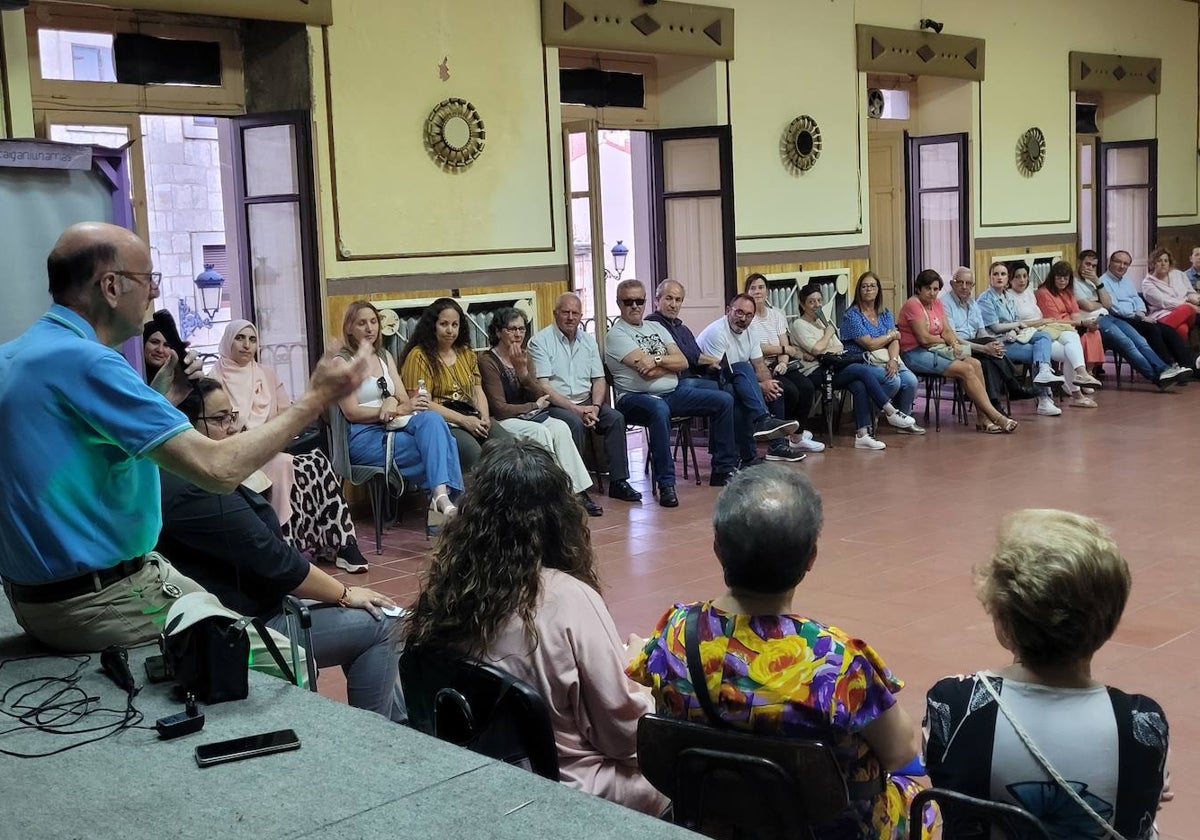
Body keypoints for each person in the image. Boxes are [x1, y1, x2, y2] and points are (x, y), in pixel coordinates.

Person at [0, 222, 372, 652]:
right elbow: (218, 470)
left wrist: (160, 396)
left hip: (34, 595)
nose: (154, 294)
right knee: (282, 661)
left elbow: (79, 447)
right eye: (148, 280)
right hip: (99, 600)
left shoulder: (16, 355)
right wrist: (316, 398)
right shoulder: (88, 363)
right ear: (111, 286)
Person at [628, 466, 934, 840]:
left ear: (717, 549)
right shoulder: (835, 660)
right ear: (811, 558)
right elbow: (902, 751)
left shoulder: (675, 631)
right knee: (927, 805)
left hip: (717, 819)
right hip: (826, 830)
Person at [405, 440, 666, 815]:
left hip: (479, 782)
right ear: (560, 515)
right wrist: (641, 680)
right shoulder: (569, 598)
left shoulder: (447, 590)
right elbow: (625, 740)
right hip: (567, 790)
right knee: (682, 772)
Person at [160, 378, 406, 721]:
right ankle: (382, 740)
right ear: (187, 427)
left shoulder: (186, 475)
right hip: (246, 628)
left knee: (376, 615)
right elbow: (276, 561)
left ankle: (400, 726)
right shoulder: (195, 490)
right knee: (385, 624)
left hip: (255, 603)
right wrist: (345, 593)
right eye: (218, 420)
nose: (231, 429)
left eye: (232, 417)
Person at [924, 509, 1170, 838]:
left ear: (1003, 620)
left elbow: (947, 780)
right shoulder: (1142, 721)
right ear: (1109, 621)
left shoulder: (952, 702)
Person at [214, 319, 371, 573]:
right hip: (238, 454)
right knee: (284, 465)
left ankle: (343, 544)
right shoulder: (215, 378)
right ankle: (283, 545)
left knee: (317, 462)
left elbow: (286, 413)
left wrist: (273, 435)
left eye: (252, 339)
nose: (246, 345)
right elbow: (217, 430)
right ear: (228, 341)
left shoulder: (266, 374)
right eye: (239, 339)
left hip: (273, 446)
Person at [604, 279, 739, 506]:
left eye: (639, 301)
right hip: (633, 398)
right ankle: (666, 483)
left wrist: (657, 359)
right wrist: (668, 367)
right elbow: (645, 373)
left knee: (724, 399)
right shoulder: (616, 335)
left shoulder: (656, 327)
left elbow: (683, 362)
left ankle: (722, 470)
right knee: (659, 408)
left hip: (672, 392)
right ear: (619, 303)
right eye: (629, 301)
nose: (635, 306)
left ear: (646, 302)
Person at [338, 300, 463, 530]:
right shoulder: (342, 362)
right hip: (364, 438)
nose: (370, 328)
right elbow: (351, 412)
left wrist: (391, 401)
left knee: (433, 420)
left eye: (374, 322)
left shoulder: (384, 356)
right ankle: (442, 513)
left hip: (395, 427)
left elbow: (405, 400)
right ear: (349, 328)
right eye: (362, 323)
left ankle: (440, 502)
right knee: (445, 444)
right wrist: (384, 410)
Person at [648, 280, 795, 466]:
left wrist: (765, 384)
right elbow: (687, 359)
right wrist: (710, 361)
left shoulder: (681, 328)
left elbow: (694, 355)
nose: (673, 304)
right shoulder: (653, 326)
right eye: (669, 298)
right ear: (656, 300)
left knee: (748, 373)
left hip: (697, 378)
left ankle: (762, 436)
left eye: (678, 300)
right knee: (734, 390)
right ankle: (744, 452)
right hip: (679, 383)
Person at [478, 307, 602, 516]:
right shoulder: (488, 361)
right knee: (542, 433)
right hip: (503, 420)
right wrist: (533, 406)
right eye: (511, 329)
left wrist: (523, 374)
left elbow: (538, 392)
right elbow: (499, 408)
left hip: (529, 416)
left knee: (561, 427)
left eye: (521, 329)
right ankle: (551, 493)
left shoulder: (525, 356)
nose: (518, 334)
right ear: (499, 332)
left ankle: (579, 492)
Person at [527, 292, 642, 505]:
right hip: (554, 405)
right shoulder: (540, 341)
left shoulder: (588, 341)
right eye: (565, 312)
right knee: (573, 424)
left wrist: (596, 407)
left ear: (581, 316)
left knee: (615, 418)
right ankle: (577, 489)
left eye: (575, 313)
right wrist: (574, 409)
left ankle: (619, 482)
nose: (570, 317)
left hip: (588, 402)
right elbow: (543, 386)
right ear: (555, 314)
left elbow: (599, 379)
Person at [790, 283, 919, 450]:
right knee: (862, 370)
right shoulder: (799, 325)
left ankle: (862, 434)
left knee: (859, 384)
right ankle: (890, 411)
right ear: (802, 305)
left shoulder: (822, 324)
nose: (817, 305)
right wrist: (827, 337)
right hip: (813, 371)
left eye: (819, 301)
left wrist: (822, 350)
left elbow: (839, 348)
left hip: (831, 366)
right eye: (811, 302)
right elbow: (816, 349)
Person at [397, 297, 514, 473]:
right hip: (443, 421)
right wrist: (464, 421)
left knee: (509, 448)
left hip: (470, 414)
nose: (450, 330)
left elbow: (477, 389)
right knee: (474, 454)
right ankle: (475, 500)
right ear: (432, 325)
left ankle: (509, 499)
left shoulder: (466, 352)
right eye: (444, 324)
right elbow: (423, 404)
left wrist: (483, 416)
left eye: (455, 324)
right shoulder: (419, 356)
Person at [898, 269, 1017, 434]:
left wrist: (952, 341)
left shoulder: (937, 304)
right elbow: (924, 339)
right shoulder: (913, 304)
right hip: (914, 353)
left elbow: (947, 330)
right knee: (966, 369)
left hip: (936, 349)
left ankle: (983, 418)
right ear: (918, 289)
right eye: (928, 289)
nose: (932, 293)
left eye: (935, 289)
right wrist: (946, 341)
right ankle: (996, 416)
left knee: (975, 363)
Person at [694, 294, 800, 463]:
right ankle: (749, 451)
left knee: (775, 387)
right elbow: (718, 370)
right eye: (739, 313)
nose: (744, 319)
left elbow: (759, 366)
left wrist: (767, 383)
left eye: (749, 315)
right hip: (707, 379)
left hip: (736, 377)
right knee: (736, 389)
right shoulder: (717, 332)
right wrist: (759, 387)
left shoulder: (751, 331)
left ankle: (777, 446)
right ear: (728, 311)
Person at [1074, 249, 1188, 388]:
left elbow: (1108, 304)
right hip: (1096, 321)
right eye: (1087, 264)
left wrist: (1097, 285)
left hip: (1109, 316)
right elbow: (1089, 306)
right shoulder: (1074, 282)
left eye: (1093, 266)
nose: (1090, 268)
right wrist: (1100, 302)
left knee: (1141, 341)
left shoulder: (1094, 281)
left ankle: (1164, 370)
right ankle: (1157, 378)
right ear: (1079, 262)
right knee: (1127, 344)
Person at [744, 272, 826, 456]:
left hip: (781, 363)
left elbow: (786, 345)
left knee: (806, 387)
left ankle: (796, 437)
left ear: (767, 291)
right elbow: (757, 348)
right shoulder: (748, 317)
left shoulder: (777, 315)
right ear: (747, 292)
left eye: (761, 287)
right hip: (760, 365)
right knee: (787, 391)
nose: (757, 291)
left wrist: (782, 362)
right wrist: (782, 351)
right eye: (753, 288)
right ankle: (778, 442)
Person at [939, 266, 1040, 410]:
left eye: (968, 284)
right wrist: (985, 348)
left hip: (975, 346)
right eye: (960, 282)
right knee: (990, 346)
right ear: (952, 283)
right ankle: (1014, 387)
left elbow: (982, 333)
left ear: (973, 285)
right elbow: (953, 338)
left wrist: (994, 345)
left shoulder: (972, 304)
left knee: (989, 361)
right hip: (957, 346)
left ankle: (995, 406)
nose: (964, 287)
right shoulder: (944, 304)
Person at [1005, 260, 1103, 407]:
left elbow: (1073, 314)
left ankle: (1079, 378)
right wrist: (1042, 322)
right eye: (1018, 277)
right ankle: (1077, 390)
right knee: (1070, 348)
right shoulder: (1009, 297)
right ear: (1010, 279)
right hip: (1031, 333)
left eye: (1025, 276)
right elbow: (1016, 323)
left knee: (1072, 338)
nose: (1022, 280)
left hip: (1046, 327)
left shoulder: (1029, 293)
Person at [976, 262, 1068, 417]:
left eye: (1003, 274)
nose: (999, 277)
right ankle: (1044, 398)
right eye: (996, 274)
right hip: (999, 341)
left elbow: (1014, 320)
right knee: (1036, 353)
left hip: (1014, 336)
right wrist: (1017, 325)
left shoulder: (1007, 297)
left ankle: (1044, 370)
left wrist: (1015, 327)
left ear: (1007, 278)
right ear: (990, 277)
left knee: (1044, 336)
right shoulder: (985, 299)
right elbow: (996, 328)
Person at [841, 271, 927, 435]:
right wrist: (890, 335)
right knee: (892, 381)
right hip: (863, 360)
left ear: (878, 290)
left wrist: (894, 359)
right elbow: (870, 344)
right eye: (864, 286)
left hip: (887, 357)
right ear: (859, 290)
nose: (868, 289)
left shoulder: (884, 313)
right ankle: (871, 413)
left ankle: (903, 421)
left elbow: (895, 340)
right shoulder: (852, 315)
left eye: (872, 286)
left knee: (911, 381)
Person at [1100, 249, 1196, 371]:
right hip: (1122, 319)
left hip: (1138, 316)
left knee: (1169, 331)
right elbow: (1114, 307)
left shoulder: (1126, 280)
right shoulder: (1103, 281)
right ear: (1110, 262)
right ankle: (1168, 367)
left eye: (1125, 264)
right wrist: (1137, 315)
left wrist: (1141, 311)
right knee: (1153, 330)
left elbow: (1136, 299)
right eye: (1118, 262)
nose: (1122, 266)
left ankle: (1188, 366)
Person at [1035, 260, 1105, 383]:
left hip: (1071, 326)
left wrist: (1087, 323)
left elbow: (1075, 314)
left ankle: (1088, 372)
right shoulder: (1044, 292)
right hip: (1055, 328)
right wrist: (1082, 324)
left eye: (1066, 278)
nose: (1062, 281)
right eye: (1059, 277)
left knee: (1094, 332)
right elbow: (1054, 320)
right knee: (1075, 339)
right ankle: (1080, 377)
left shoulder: (1068, 292)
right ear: (1052, 278)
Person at [1141, 246, 1200, 341]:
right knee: (1182, 329)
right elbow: (1164, 302)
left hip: (1186, 313)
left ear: (1169, 263)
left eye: (1166, 260)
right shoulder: (1147, 283)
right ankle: (1177, 354)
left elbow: (1189, 292)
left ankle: (1157, 338)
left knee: (1187, 310)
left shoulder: (1178, 274)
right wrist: (1189, 306)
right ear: (1153, 263)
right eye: (1159, 261)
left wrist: (1197, 299)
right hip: (1163, 314)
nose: (1163, 263)